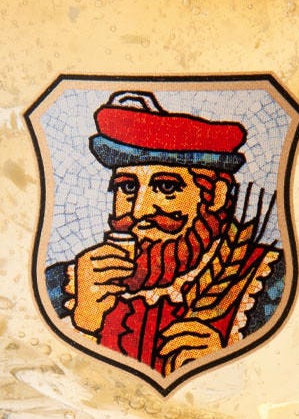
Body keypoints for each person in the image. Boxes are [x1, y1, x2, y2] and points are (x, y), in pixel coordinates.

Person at [45, 91, 285, 377]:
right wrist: (82, 324)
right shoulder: (63, 286)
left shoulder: (270, 281)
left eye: (166, 187)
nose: (139, 210)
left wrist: (224, 363)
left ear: (216, 196)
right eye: (128, 188)